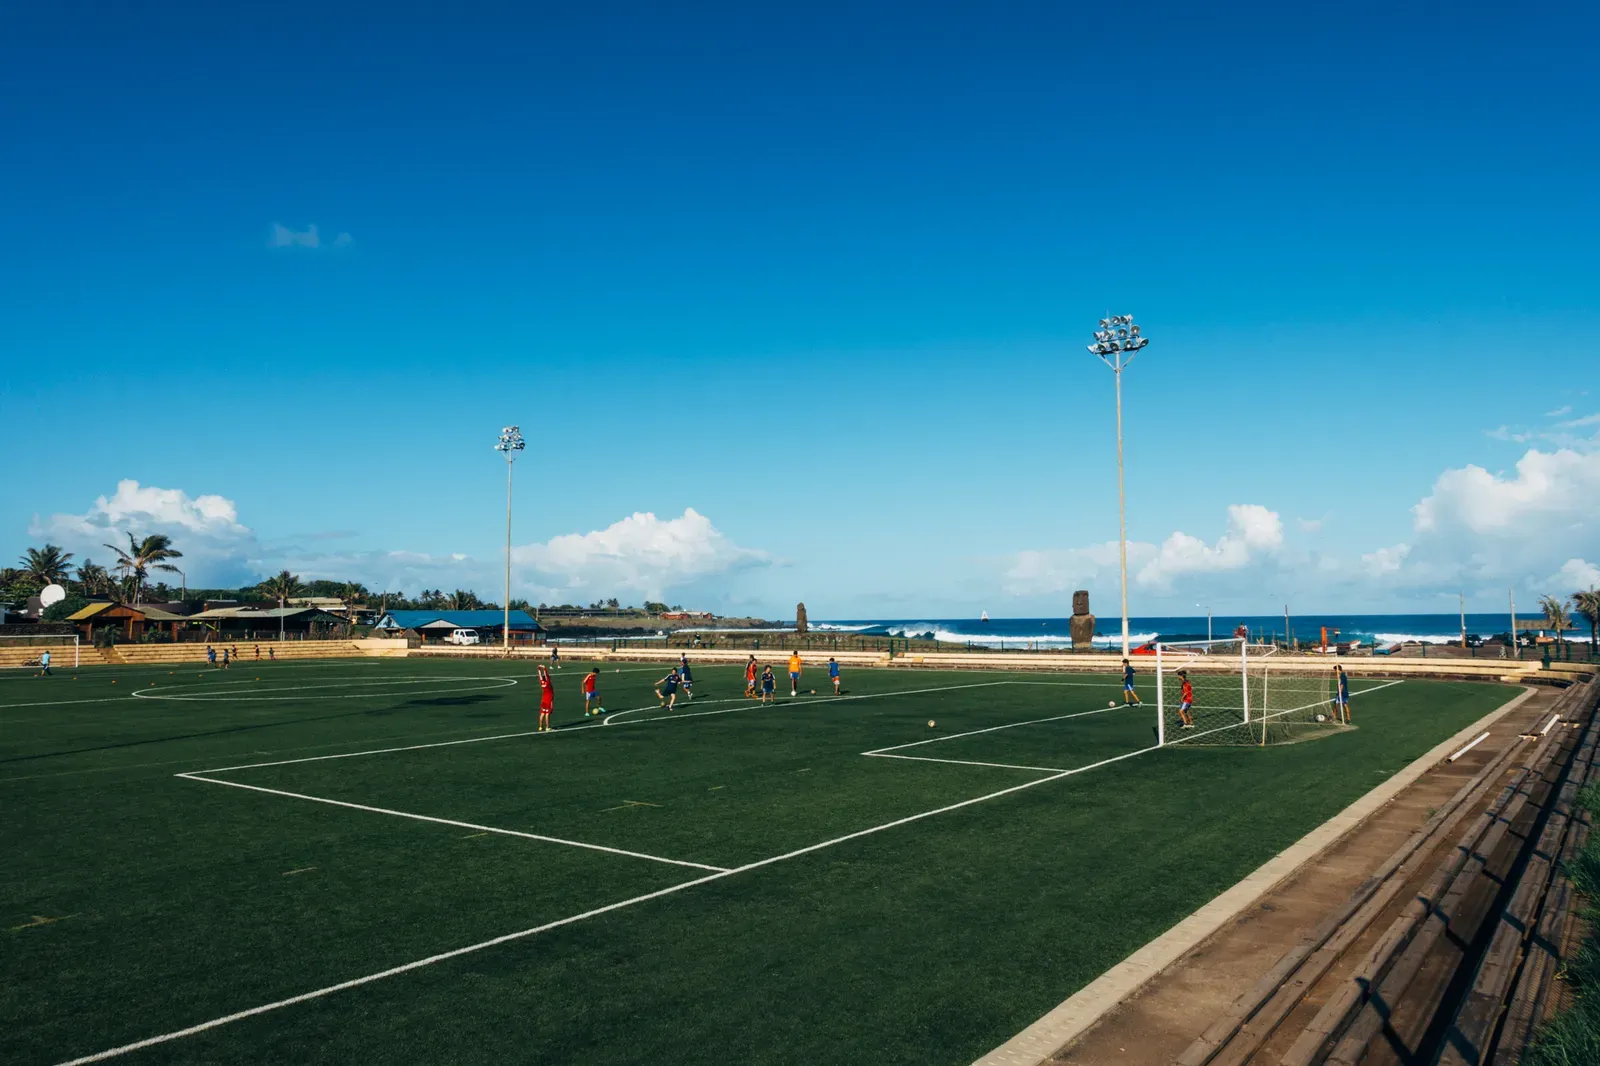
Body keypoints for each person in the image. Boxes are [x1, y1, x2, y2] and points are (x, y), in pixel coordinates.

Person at [537, 664, 555, 731]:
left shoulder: (542, 683)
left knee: (542, 713)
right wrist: (544, 668)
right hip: (548, 700)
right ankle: (547, 727)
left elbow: (540, 676)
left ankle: (540, 727)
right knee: (547, 714)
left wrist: (539, 668)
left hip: (543, 700)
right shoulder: (548, 683)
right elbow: (546, 675)